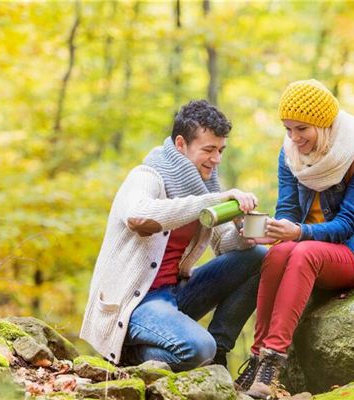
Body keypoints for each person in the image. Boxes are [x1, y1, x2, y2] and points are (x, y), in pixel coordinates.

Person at [80, 100, 267, 371]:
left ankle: (218, 353)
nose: (217, 159)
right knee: (197, 348)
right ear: (181, 144)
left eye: (221, 150)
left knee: (258, 257)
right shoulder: (145, 177)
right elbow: (138, 216)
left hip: (175, 294)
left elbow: (224, 245)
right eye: (209, 150)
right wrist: (213, 201)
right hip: (135, 303)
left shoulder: (204, 186)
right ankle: (131, 355)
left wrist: (243, 233)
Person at [235, 79, 354, 399]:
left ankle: (273, 362)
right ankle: (256, 358)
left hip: (353, 252)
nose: (294, 138)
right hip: (303, 248)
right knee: (277, 255)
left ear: (324, 123)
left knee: (304, 252)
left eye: (301, 129)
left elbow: (347, 223)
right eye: (288, 129)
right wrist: (273, 232)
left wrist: (300, 232)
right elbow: (289, 210)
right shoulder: (289, 154)